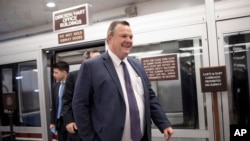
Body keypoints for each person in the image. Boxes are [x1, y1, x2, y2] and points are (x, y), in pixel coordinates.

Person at [72, 20, 174, 141]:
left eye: (131, 37)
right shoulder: (91, 66)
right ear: (110, 38)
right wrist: (90, 138)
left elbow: (149, 97)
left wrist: (163, 123)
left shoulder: (137, 65)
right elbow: (80, 105)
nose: (129, 40)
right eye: (123, 36)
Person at [62, 48, 100, 141]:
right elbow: (67, 100)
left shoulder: (104, 76)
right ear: (86, 60)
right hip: (79, 125)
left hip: (100, 124)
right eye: (96, 59)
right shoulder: (73, 76)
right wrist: (69, 121)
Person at [50, 61, 69, 141]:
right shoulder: (55, 86)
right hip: (60, 122)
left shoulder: (74, 85)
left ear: (64, 73)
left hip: (71, 122)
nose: (53, 75)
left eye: (56, 72)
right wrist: (52, 122)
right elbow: (54, 105)